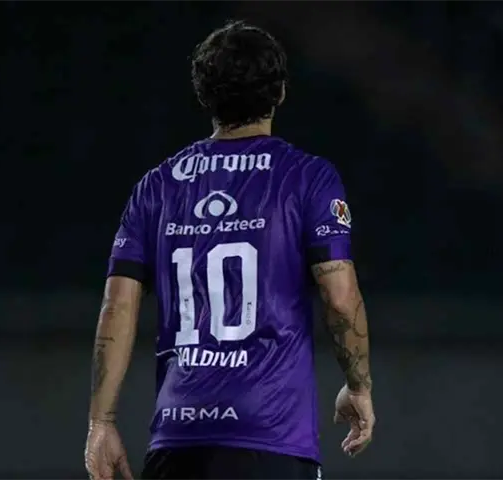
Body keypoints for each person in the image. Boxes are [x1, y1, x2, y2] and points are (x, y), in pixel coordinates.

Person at [84, 20, 375, 480]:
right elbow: (340, 299)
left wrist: (101, 423)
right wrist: (358, 386)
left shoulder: (157, 186)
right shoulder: (307, 177)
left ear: (204, 95)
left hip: (178, 440)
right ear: (280, 91)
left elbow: (116, 307)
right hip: (271, 437)